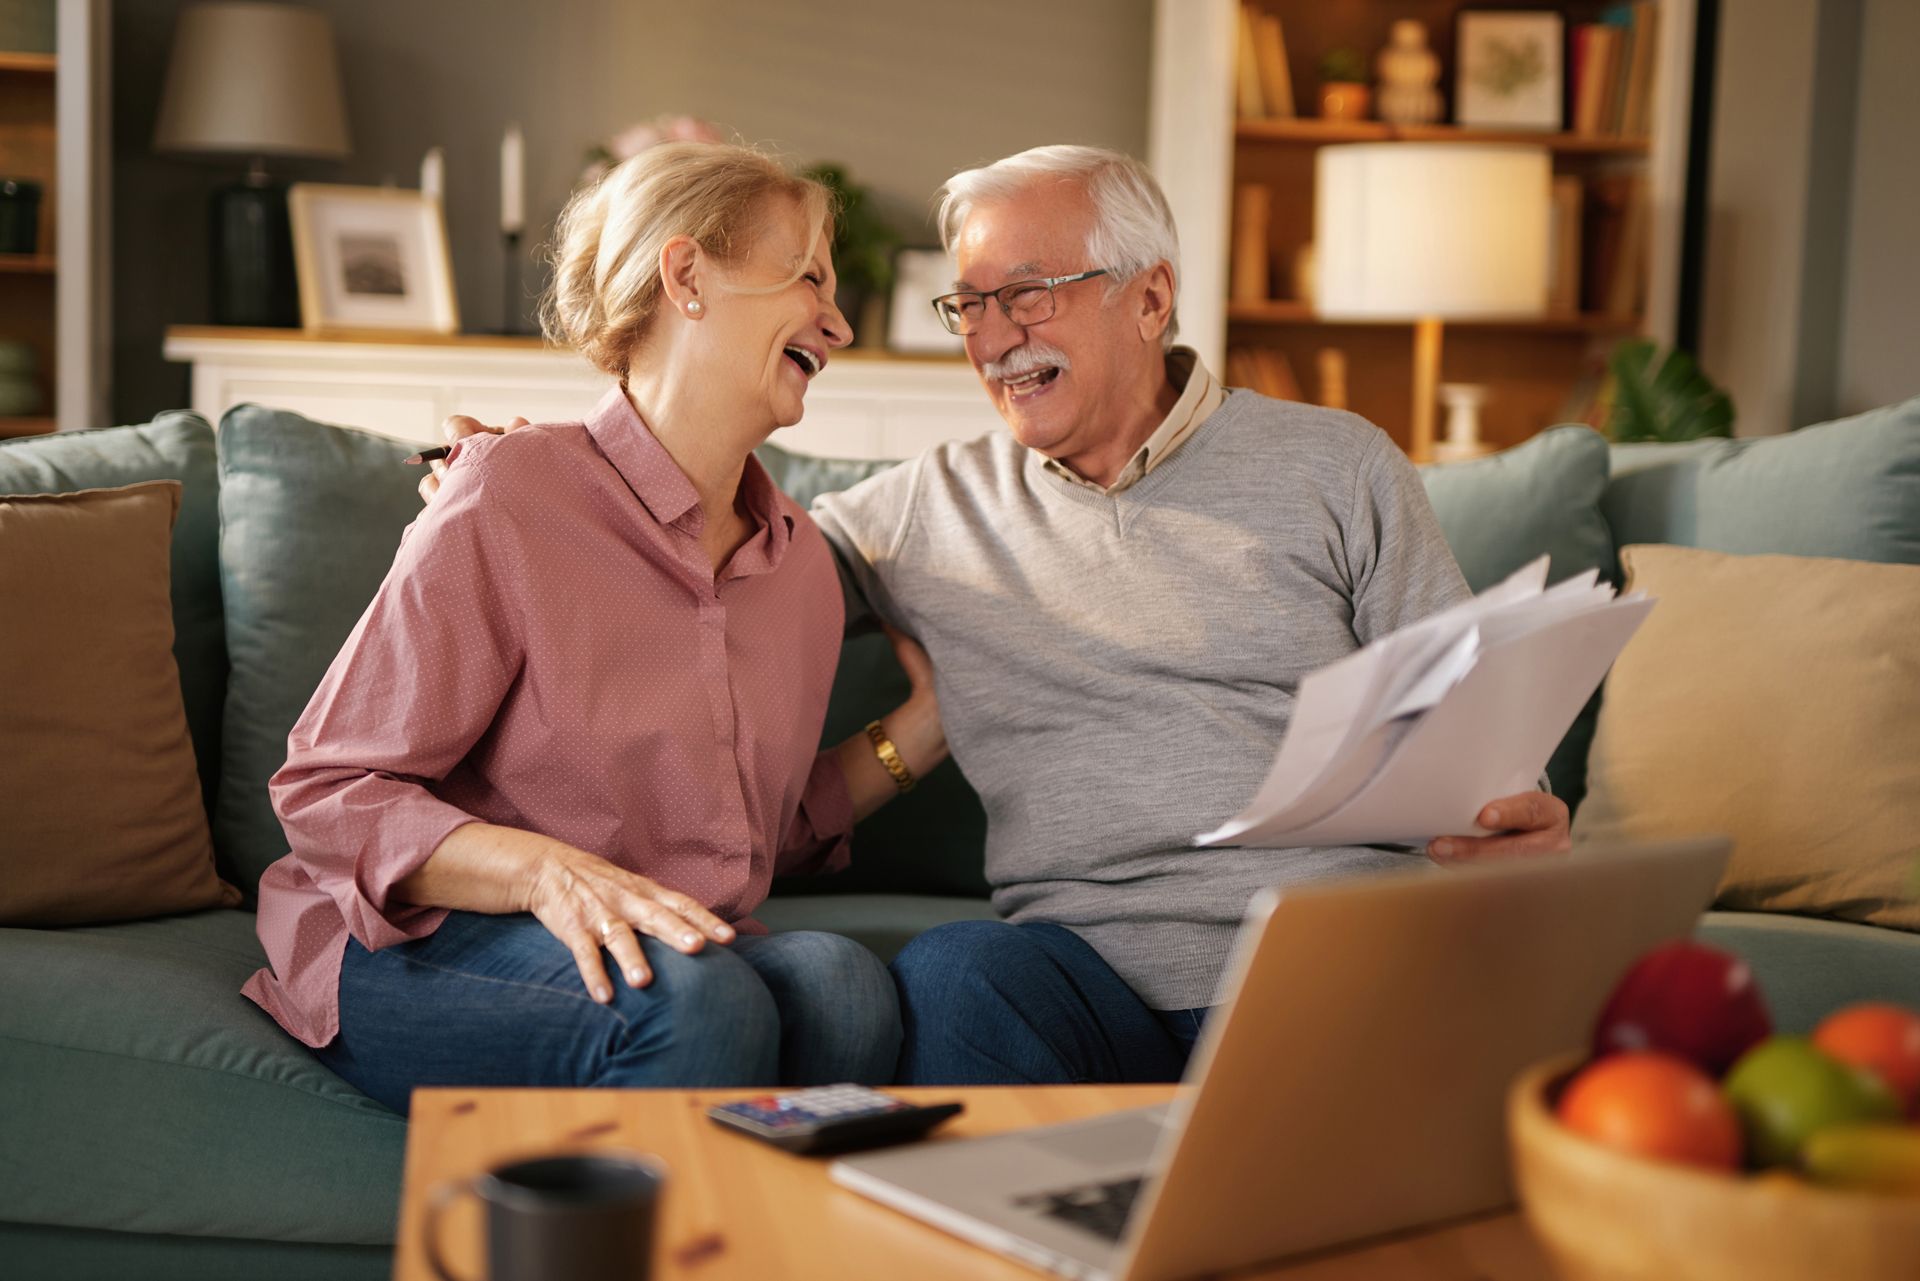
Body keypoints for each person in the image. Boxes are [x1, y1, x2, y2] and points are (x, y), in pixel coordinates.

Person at [431, 145, 1570, 1089]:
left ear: (1151, 296)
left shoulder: (1338, 467)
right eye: (968, 304)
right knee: (954, 973)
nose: (990, 338)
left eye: (1026, 294)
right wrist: (548, 487)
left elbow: (1477, 733)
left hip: (1319, 964)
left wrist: (1515, 819)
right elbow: (697, 559)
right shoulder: (925, 509)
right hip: (1080, 982)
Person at [242, 143, 950, 1115]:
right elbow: (329, 791)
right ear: (687, 275)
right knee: (699, 1002)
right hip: (426, 935)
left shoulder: (800, 572)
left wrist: (930, 720)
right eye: (808, 279)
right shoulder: (510, 493)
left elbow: (742, 836)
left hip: (660, 946)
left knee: (842, 983)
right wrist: (545, 872)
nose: (837, 322)